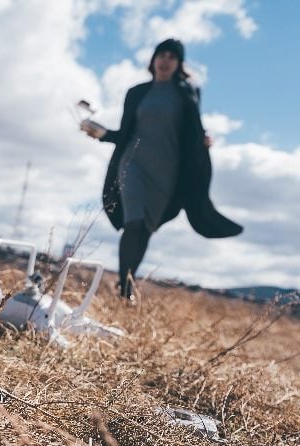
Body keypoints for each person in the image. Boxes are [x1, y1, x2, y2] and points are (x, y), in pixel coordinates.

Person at [82, 38, 242, 302]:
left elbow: (192, 128)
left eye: (172, 56)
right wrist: (100, 133)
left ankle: (128, 281)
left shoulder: (188, 92)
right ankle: (125, 289)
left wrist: (202, 141)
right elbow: (125, 133)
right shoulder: (137, 92)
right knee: (133, 222)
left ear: (178, 64)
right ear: (154, 59)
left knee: (145, 228)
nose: (165, 60)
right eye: (161, 54)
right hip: (133, 163)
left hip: (167, 171)